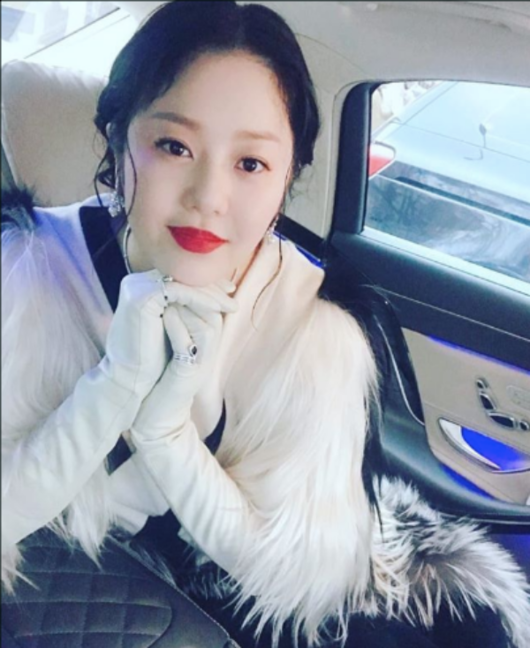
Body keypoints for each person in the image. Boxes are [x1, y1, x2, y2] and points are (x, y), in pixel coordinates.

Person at [1, 2, 529, 647]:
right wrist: (112, 389)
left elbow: (285, 563)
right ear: (118, 139)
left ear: (287, 178)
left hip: (239, 580)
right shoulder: (26, 272)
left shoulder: (314, 323)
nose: (208, 196)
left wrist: (167, 436)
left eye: (250, 164)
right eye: (173, 146)